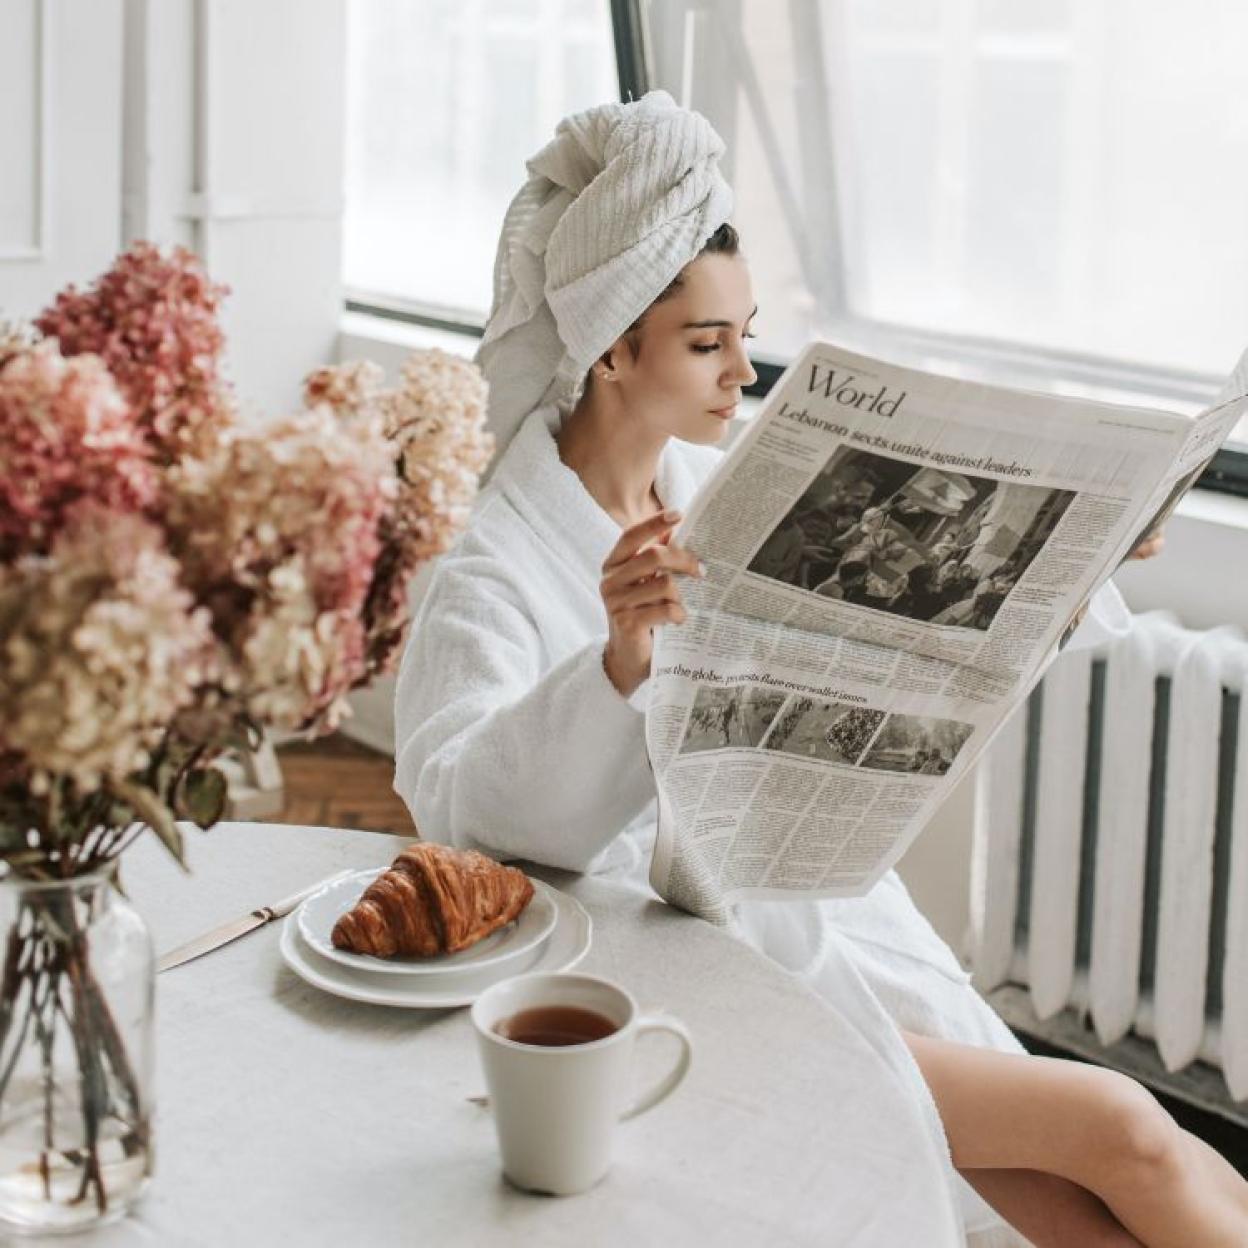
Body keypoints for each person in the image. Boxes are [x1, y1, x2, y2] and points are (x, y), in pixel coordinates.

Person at [392, 91, 1246, 1247]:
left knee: (1080, 1198)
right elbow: (460, 811)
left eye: (746, 334)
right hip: (688, 980)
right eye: (708, 344)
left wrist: (1076, 547)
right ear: (609, 351)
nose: (743, 371)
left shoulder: (726, 492)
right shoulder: (492, 569)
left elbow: (904, 629)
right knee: (1123, 1128)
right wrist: (617, 663)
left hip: (825, 923)